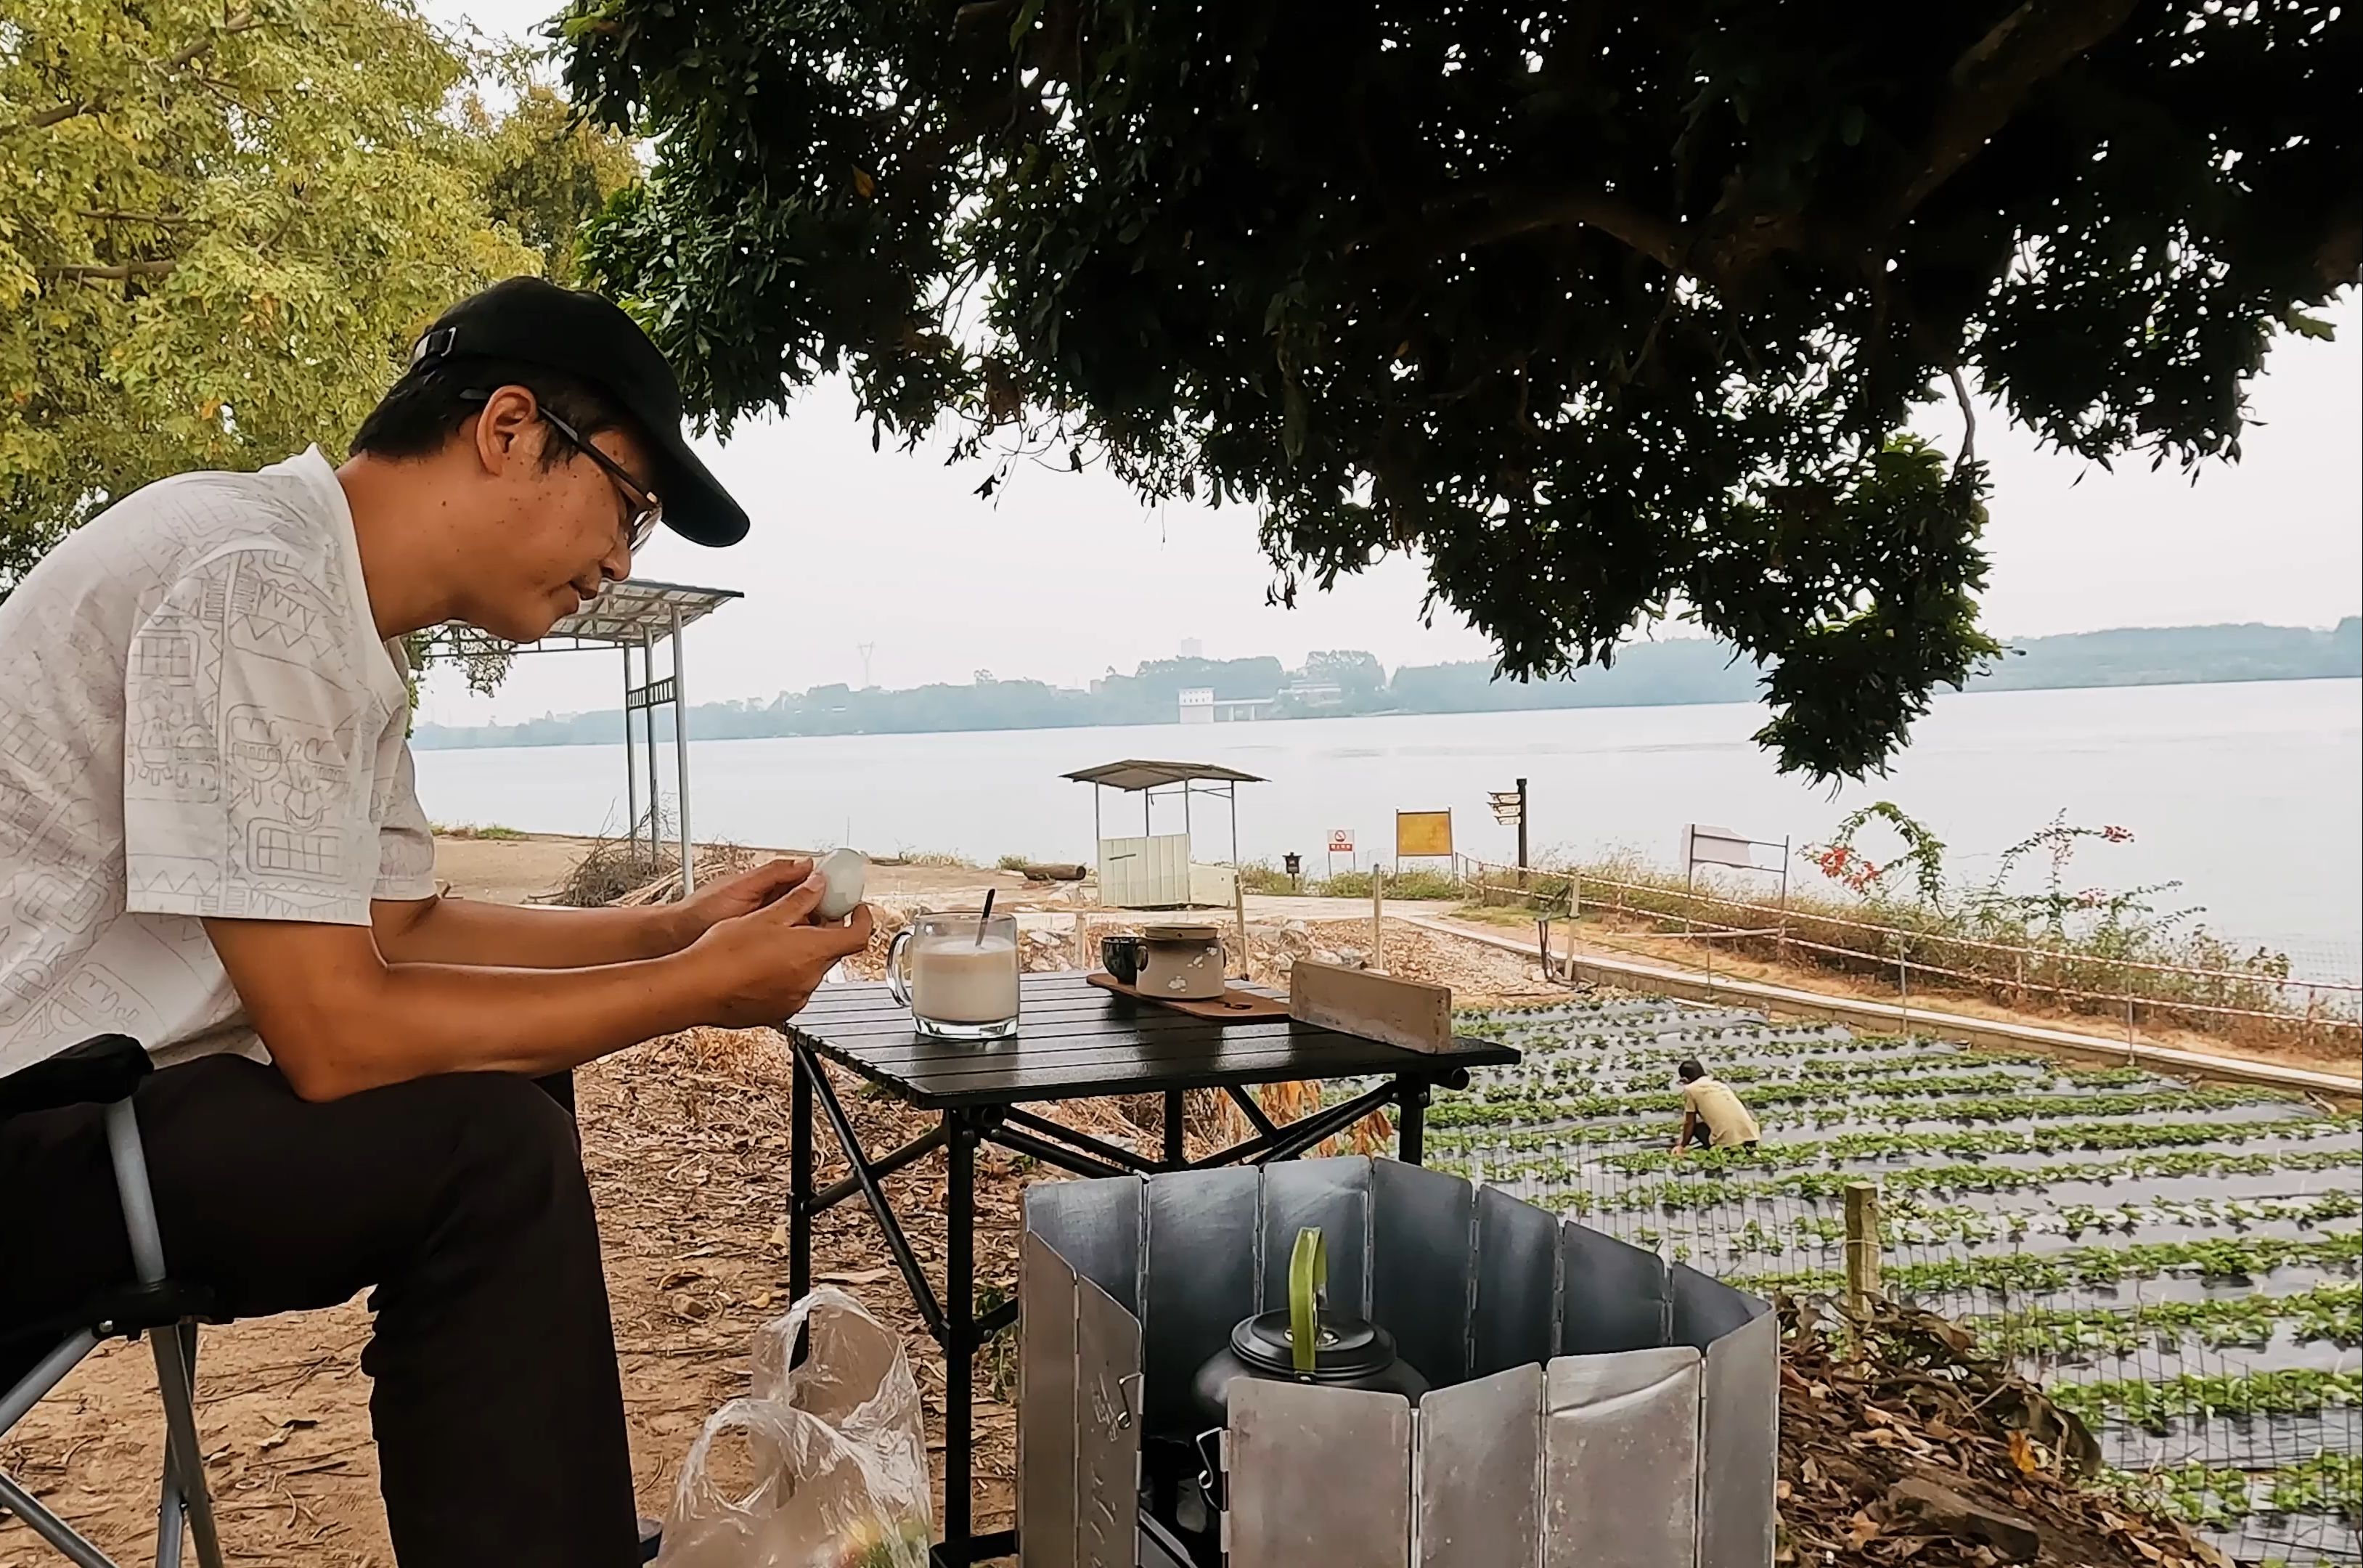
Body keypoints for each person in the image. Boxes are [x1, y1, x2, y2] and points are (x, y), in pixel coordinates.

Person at [0, 278, 875, 1568]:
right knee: (490, 1149)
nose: (627, 561)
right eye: (628, 505)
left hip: (101, 1112)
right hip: (35, 1129)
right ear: (509, 427)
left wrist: (675, 933)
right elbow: (338, 1033)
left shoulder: (325, 613)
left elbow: (401, 925)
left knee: (517, 1073)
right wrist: (699, 990)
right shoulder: (257, 583)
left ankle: (537, 1528)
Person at [1672, 1058, 1760, 1154]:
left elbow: (1689, 1122)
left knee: (1696, 1126)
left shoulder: (1691, 1089)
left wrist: (1682, 1146)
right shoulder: (1721, 1086)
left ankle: (1717, 1145)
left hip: (1728, 1145)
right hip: (1752, 1139)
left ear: (1685, 1079)